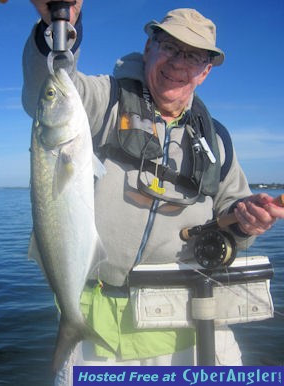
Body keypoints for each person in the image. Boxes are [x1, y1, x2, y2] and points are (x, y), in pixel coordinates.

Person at [22, 1, 284, 384]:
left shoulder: (218, 141)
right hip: (100, 335)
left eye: (194, 56)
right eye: (171, 48)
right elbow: (43, 90)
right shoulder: (102, 100)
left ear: (206, 72)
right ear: (149, 49)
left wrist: (247, 222)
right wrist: (56, 30)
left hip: (193, 324)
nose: (180, 62)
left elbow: (233, 210)